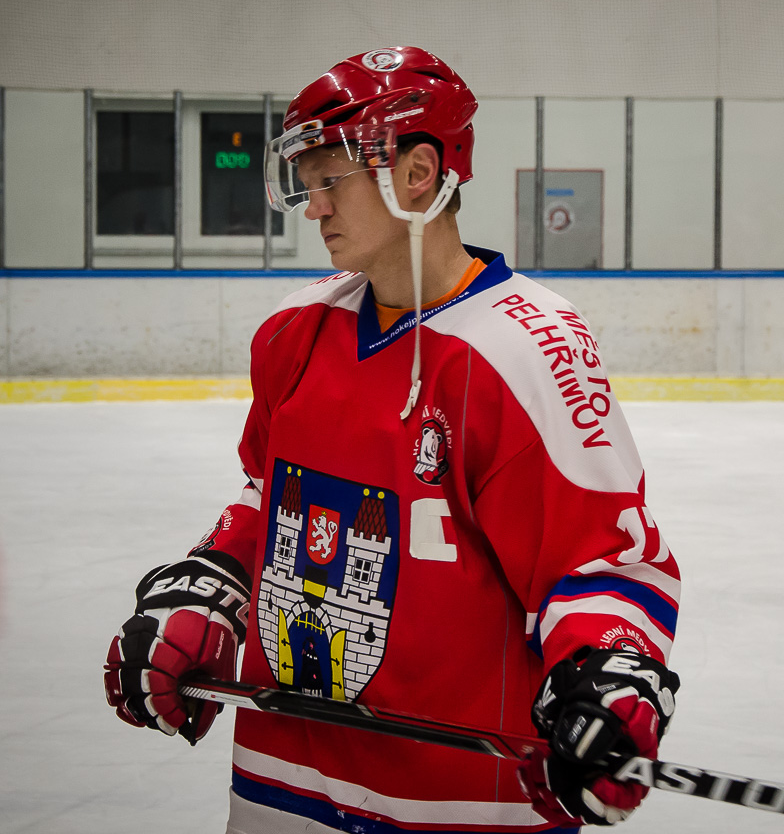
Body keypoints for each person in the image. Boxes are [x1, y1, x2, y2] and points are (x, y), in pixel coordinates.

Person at [103, 46, 682, 834]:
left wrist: (607, 676)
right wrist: (211, 584)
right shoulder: (294, 331)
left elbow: (601, 558)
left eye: (330, 181)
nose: (314, 209)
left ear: (417, 173)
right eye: (307, 185)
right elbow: (267, 498)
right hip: (282, 781)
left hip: (458, 801)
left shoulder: (525, 349)